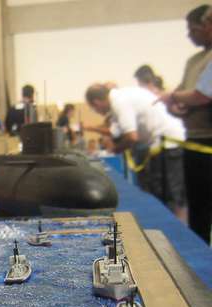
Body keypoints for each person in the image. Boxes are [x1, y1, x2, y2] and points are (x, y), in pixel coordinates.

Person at [85, 83, 187, 221]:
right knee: (160, 191)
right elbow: (116, 131)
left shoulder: (120, 102)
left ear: (96, 103)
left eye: (94, 109)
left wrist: (116, 149)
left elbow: (131, 137)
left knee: (170, 193)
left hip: (168, 144)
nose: (98, 112)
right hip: (163, 142)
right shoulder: (123, 96)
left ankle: (176, 227)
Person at [156, 5, 212, 243]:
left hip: (207, 140)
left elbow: (202, 96)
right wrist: (175, 103)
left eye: (194, 29)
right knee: (198, 207)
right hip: (195, 140)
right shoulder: (194, 61)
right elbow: (182, 96)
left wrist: (174, 97)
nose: (190, 35)